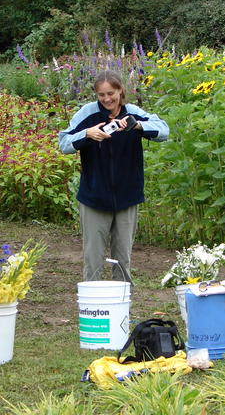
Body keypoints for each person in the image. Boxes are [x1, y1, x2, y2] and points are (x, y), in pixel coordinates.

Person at [59, 71, 169, 282]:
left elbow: (163, 130)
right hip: (94, 198)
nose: (107, 99)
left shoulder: (132, 112)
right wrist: (87, 134)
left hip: (127, 196)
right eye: (101, 95)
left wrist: (137, 125)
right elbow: (64, 143)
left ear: (120, 91)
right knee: (93, 258)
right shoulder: (87, 114)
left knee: (123, 258)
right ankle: (92, 309)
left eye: (111, 93)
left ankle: (122, 308)